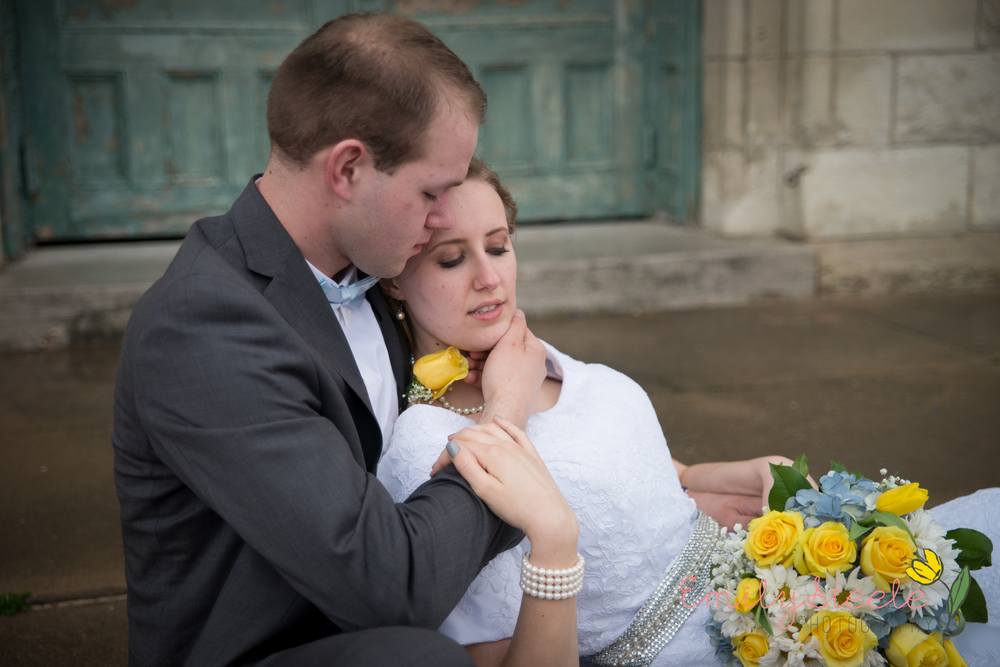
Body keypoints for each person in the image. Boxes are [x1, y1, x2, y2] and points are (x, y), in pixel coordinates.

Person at [375, 159, 1000, 666]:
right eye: (452, 259)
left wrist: (728, 471)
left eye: (499, 246)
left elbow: (633, 475)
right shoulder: (426, 448)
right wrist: (508, 419)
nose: (490, 277)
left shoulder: (526, 353)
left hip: (758, 576)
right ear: (396, 276)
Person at [112, 14, 578, 667]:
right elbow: (392, 589)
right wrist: (502, 424)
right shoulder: (203, 327)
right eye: (430, 191)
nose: (442, 217)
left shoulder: (378, 268)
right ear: (349, 168)